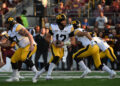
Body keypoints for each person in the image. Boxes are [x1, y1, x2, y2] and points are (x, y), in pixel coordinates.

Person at [32, 13, 75, 83]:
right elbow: (47, 37)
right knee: (56, 57)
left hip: (63, 47)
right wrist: (53, 42)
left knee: (52, 63)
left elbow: (73, 42)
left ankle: (38, 73)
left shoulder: (69, 28)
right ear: (60, 21)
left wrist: (63, 43)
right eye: (63, 20)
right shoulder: (53, 27)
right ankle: (48, 75)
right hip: (54, 45)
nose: (65, 21)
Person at [4, 17, 37, 82]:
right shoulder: (10, 31)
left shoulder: (17, 27)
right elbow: (8, 44)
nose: (6, 25)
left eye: (7, 23)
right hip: (22, 47)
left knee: (23, 57)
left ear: (10, 23)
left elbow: (29, 35)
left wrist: (31, 45)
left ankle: (36, 72)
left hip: (29, 44)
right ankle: (15, 77)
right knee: (13, 59)